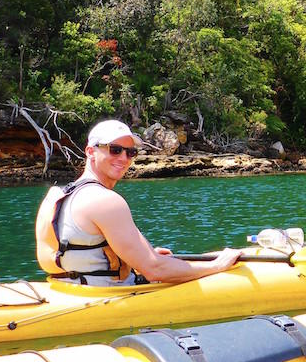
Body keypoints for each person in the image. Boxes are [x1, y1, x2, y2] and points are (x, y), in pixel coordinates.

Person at [35, 119, 240, 285]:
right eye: (115, 150)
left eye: (131, 152)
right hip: (104, 299)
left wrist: (134, 256)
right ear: (90, 152)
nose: (124, 158)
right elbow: (155, 270)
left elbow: (72, 256)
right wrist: (217, 266)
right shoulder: (106, 201)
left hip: (69, 291)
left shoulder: (54, 196)